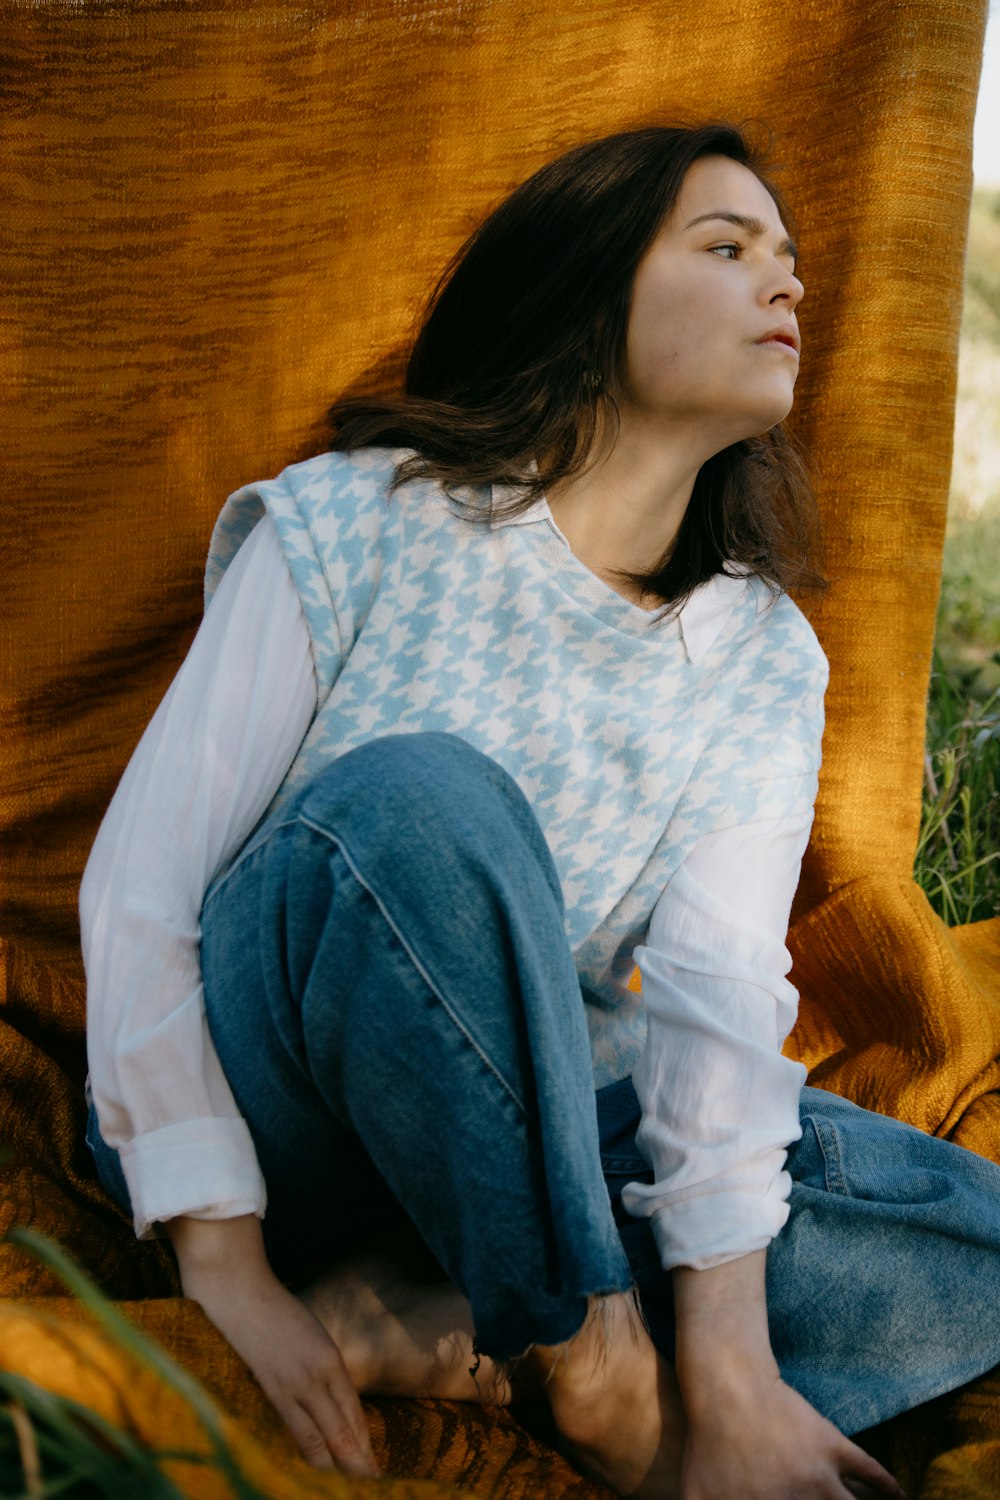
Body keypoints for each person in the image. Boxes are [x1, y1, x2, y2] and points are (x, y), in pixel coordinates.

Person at [80, 123, 1000, 1500]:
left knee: (960, 1220)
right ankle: (590, 1360)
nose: (789, 286)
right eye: (729, 248)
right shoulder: (355, 524)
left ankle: (456, 1320)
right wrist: (220, 1253)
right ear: (586, 291)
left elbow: (711, 1007)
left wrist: (739, 1375)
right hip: (277, 1126)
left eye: (792, 260)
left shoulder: (758, 654)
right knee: (423, 797)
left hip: (543, 1152)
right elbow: (141, 891)